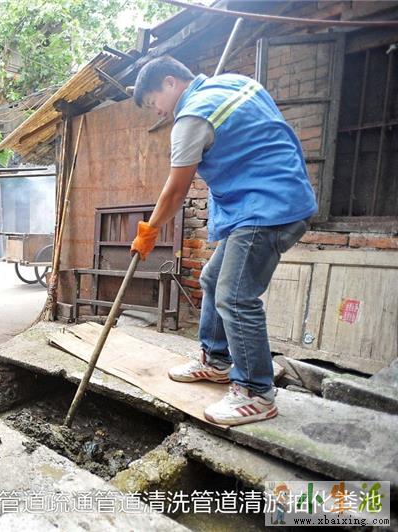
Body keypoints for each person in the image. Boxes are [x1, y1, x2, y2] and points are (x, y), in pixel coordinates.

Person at [130, 56, 317, 426]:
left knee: (235, 295)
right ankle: (216, 361)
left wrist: (149, 230)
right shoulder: (234, 83)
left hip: (266, 207)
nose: (158, 112)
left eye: (154, 102)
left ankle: (255, 392)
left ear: (170, 82)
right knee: (214, 279)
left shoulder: (191, 117)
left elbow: (176, 191)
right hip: (277, 197)